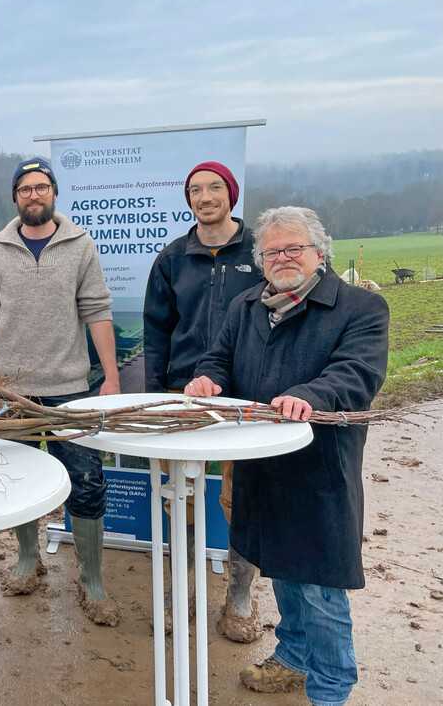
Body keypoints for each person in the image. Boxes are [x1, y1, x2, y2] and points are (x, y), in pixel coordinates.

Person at [187, 206, 388, 706]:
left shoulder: (360, 308)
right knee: (280, 566)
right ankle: (294, 656)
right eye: (272, 251)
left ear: (319, 251)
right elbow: (220, 358)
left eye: (293, 247)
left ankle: (331, 690)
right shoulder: (247, 305)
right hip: (261, 462)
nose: (282, 257)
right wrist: (209, 379)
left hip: (319, 467)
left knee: (318, 582)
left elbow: (357, 374)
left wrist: (311, 395)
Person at [0, 157, 122, 625]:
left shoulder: (80, 244)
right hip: (10, 392)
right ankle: (27, 558)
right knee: (17, 482)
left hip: (70, 390)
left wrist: (112, 378)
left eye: (41, 187)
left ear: (54, 192)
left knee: (86, 483)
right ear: (15, 198)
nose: (33, 195)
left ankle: (91, 579)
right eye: (24, 189)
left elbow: (97, 310)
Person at [142, 161, 264, 642]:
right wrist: (155, 394)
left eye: (215, 188)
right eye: (195, 190)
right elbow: (157, 330)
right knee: (181, 496)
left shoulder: (259, 251)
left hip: (247, 394)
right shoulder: (173, 258)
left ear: (231, 194)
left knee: (244, 497)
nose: (205, 196)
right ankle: (182, 592)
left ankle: (238, 597)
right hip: (184, 392)